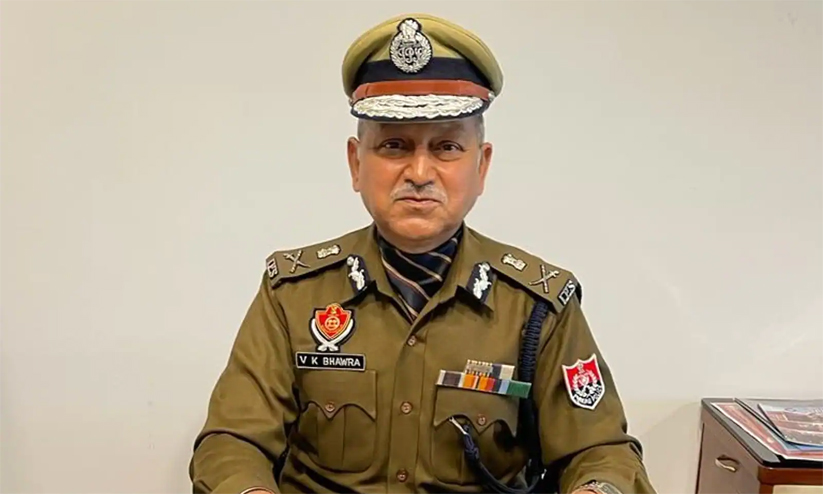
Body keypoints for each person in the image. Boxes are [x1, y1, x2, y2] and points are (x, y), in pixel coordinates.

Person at [189, 12, 656, 494]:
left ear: (481, 166)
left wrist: (596, 488)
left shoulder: (537, 306)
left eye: (447, 147)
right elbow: (232, 442)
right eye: (394, 146)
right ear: (355, 163)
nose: (418, 172)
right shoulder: (292, 294)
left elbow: (600, 451)